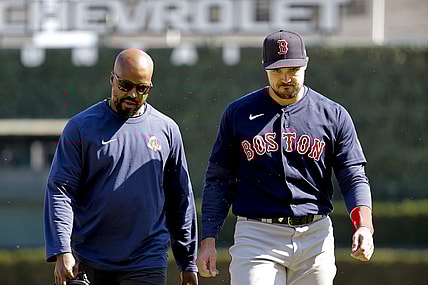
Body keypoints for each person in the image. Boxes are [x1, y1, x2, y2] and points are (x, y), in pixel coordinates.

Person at [198, 30, 374, 285]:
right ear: (265, 69)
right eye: (277, 71)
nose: (285, 78)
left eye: (292, 69)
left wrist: (364, 226)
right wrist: (209, 238)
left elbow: (352, 176)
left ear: (305, 64)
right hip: (258, 235)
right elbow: (219, 180)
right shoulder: (238, 113)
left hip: (315, 235)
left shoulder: (333, 115)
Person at [44, 48, 198, 285]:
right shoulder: (80, 128)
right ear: (112, 79)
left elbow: (181, 198)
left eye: (142, 88)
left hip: (147, 259)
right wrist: (62, 250)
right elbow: (61, 191)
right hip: (90, 259)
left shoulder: (167, 130)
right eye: (125, 85)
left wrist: (187, 261)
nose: (133, 94)